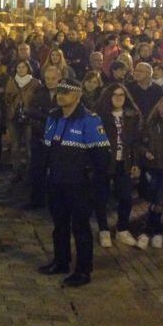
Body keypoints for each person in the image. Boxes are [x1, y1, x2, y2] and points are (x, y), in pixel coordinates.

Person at [38, 79, 110, 287]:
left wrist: (91, 180)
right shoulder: (53, 117)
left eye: (66, 92)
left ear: (77, 96)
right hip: (56, 181)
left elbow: (101, 156)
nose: (61, 95)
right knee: (59, 225)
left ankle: (83, 270)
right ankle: (61, 261)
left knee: (80, 228)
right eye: (59, 91)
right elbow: (47, 149)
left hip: (79, 185)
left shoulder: (89, 120)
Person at [93, 83, 142, 248]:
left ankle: (122, 228)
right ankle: (103, 230)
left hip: (124, 162)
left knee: (126, 197)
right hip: (105, 162)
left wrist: (136, 163)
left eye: (122, 94)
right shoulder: (100, 115)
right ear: (108, 96)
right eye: (115, 94)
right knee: (101, 197)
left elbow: (136, 141)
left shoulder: (132, 115)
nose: (119, 98)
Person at [24, 65, 62, 210]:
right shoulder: (39, 92)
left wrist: (44, 113)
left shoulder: (65, 93)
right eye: (47, 79)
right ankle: (37, 200)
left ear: (59, 78)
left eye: (53, 79)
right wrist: (48, 116)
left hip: (58, 139)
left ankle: (56, 200)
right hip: (39, 136)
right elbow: (31, 110)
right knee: (37, 169)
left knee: (56, 171)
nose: (50, 81)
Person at [136, 95, 163, 250]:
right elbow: (141, 143)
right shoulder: (150, 124)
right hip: (152, 167)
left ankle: (148, 231)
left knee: (160, 199)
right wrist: (145, 153)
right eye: (162, 106)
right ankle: (154, 231)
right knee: (153, 199)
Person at [4, 60, 41, 183]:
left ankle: (30, 173)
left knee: (29, 147)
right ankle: (17, 172)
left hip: (29, 117)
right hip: (14, 116)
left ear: (28, 68)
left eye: (23, 67)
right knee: (15, 146)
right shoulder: (11, 81)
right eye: (18, 67)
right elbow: (6, 98)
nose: (20, 69)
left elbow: (38, 99)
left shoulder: (35, 83)